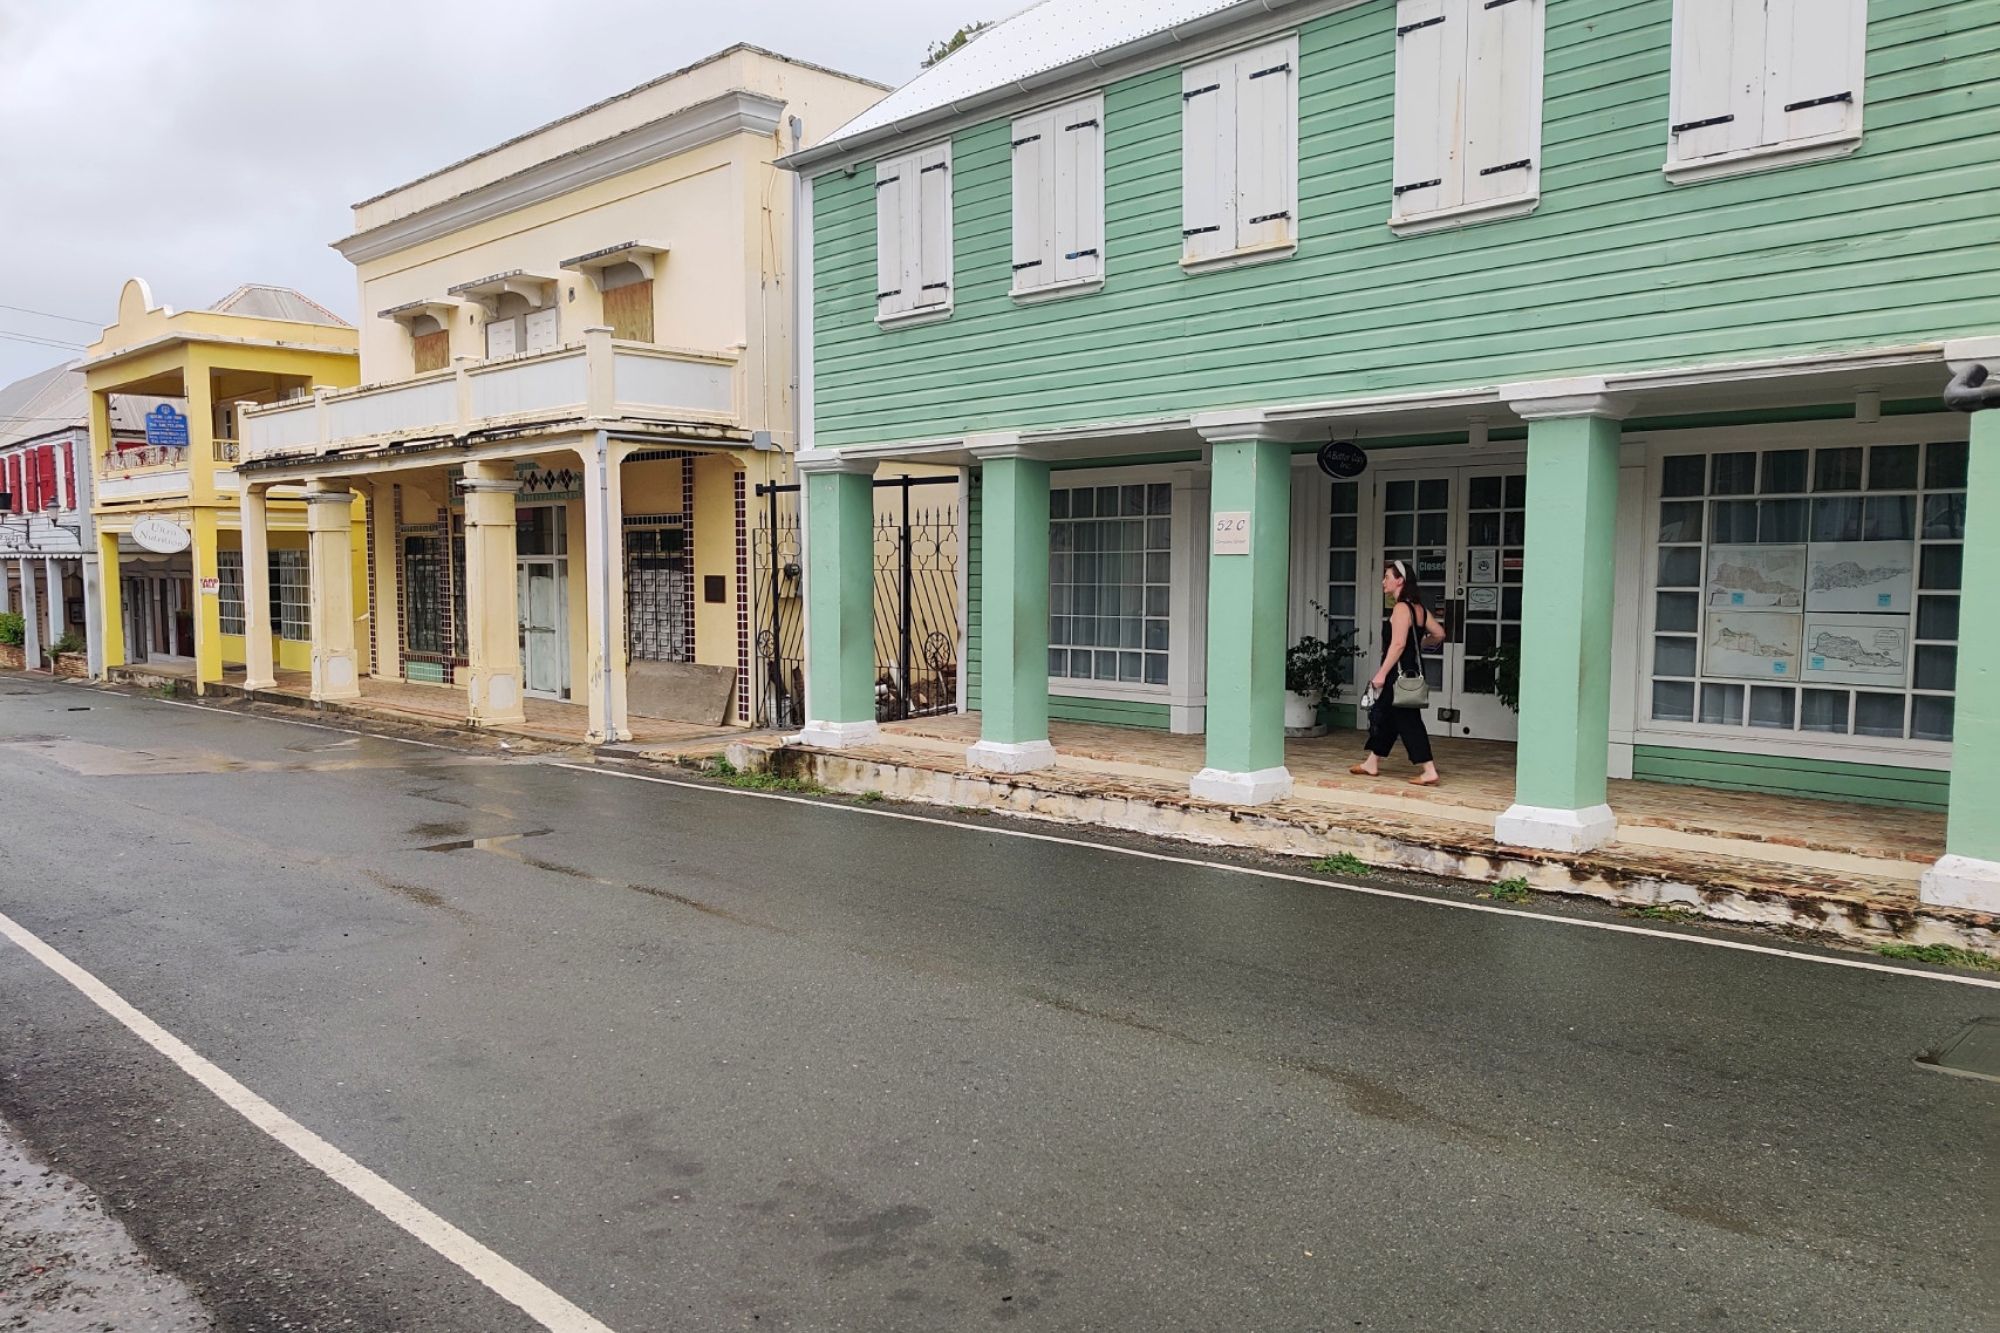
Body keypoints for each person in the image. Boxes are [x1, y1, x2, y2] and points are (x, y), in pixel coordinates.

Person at [1351, 559, 1446, 786]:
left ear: (1400, 581)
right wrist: (1419, 646)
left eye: (1387, 577)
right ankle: (1372, 762)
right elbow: (1439, 633)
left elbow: (1398, 645)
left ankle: (1429, 769)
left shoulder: (1402, 608)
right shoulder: (1419, 608)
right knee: (1387, 716)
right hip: (1409, 669)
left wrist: (1381, 674)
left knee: (1407, 719)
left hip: (1397, 672)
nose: (1383, 581)